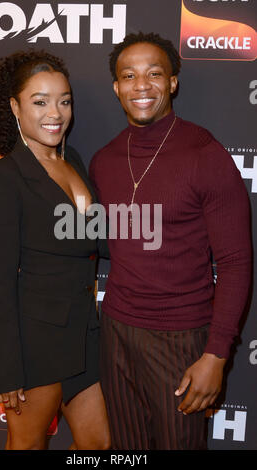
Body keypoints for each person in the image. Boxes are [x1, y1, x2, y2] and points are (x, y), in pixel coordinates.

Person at [89, 32, 252, 450]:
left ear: (173, 82)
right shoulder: (104, 160)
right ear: (116, 87)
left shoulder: (205, 154)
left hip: (181, 337)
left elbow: (234, 262)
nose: (141, 85)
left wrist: (216, 355)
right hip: (117, 331)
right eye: (129, 75)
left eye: (154, 73)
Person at [0, 50, 110, 450]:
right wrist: (5, 373)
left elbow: (97, 239)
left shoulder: (76, 162)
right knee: (28, 445)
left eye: (64, 101)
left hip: (85, 333)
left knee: (99, 444)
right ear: (15, 106)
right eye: (40, 101)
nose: (56, 113)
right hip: (35, 342)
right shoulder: (3, 177)